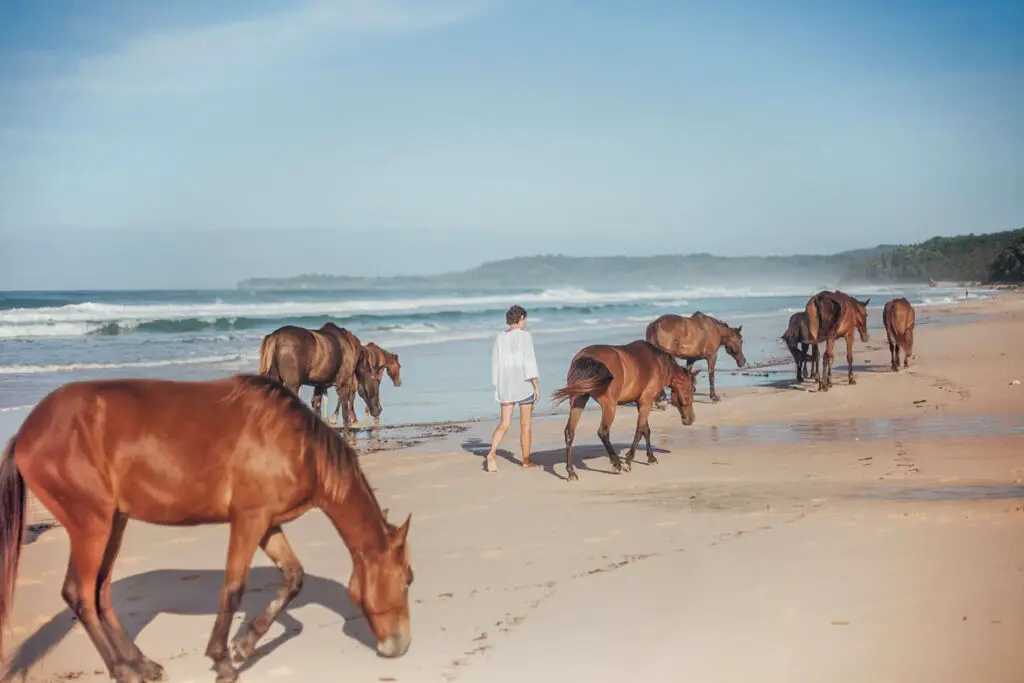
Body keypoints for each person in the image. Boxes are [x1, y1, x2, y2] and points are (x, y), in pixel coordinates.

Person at [484, 304, 540, 472]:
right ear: (521, 318)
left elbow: (495, 362)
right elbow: (529, 362)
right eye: (525, 319)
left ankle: (492, 452)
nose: (526, 322)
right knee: (526, 424)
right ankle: (525, 460)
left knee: (504, 423)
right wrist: (536, 385)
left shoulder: (500, 337)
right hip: (522, 383)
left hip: (505, 384)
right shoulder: (525, 336)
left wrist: (497, 384)